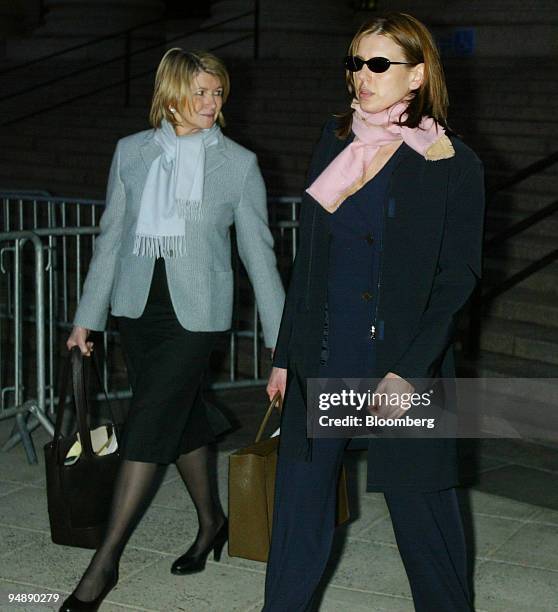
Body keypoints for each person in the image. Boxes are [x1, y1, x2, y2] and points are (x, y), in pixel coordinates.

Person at [263, 12, 484, 612]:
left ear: (416, 76)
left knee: (424, 516)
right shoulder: (334, 142)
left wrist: (409, 372)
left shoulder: (450, 163)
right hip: (326, 353)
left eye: (379, 64)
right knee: (298, 516)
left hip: (404, 365)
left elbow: (456, 278)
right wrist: (286, 356)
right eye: (356, 62)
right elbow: (308, 261)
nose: (362, 75)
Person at [60, 48, 285, 612]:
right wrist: (88, 316)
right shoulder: (131, 153)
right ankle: (212, 522)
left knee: (151, 419)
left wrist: (281, 340)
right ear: (172, 92)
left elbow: (259, 254)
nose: (212, 103)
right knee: (180, 418)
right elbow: (110, 238)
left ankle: (103, 563)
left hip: (197, 314)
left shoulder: (238, 163)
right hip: (139, 310)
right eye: (202, 92)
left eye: (218, 93)